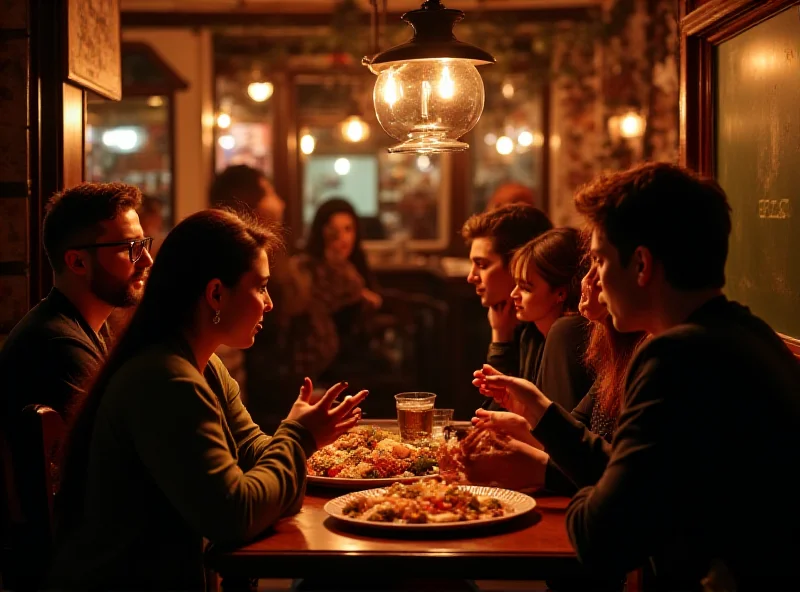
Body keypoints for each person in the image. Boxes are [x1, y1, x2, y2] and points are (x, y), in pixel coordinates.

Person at [476, 162, 800, 590]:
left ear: (642, 265)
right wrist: (541, 414)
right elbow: (635, 478)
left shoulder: (676, 357)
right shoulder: (746, 334)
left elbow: (601, 537)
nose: (593, 281)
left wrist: (576, 488)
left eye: (600, 260)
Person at [49, 208, 367, 591]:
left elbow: (255, 453)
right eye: (261, 287)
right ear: (216, 293)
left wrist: (293, 445)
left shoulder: (206, 366)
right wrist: (298, 437)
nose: (269, 304)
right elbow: (235, 513)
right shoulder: (165, 380)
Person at [0, 183, 152, 428]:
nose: (146, 259)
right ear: (77, 262)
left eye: (143, 244)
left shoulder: (91, 328)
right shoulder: (56, 347)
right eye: (129, 248)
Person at [288, 198, 382, 385]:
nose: (343, 237)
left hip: (357, 353)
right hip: (324, 361)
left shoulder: (355, 265)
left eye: (349, 229)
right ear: (322, 232)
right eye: (334, 230)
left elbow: (374, 301)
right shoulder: (309, 268)